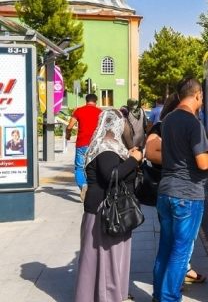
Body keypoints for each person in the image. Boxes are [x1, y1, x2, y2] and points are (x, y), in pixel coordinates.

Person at [152, 79, 208, 302]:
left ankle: (159, 295)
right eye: (202, 97)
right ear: (198, 95)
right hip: (187, 195)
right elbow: (202, 162)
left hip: (165, 192)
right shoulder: (193, 124)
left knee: (165, 248)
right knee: (181, 252)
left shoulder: (169, 119)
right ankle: (169, 298)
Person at [74, 109, 144, 302]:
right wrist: (133, 160)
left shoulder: (103, 145)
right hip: (105, 212)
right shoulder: (107, 146)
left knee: (95, 259)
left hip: (98, 209)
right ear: (116, 125)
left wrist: (127, 157)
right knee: (109, 260)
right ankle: (109, 297)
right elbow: (111, 175)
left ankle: (95, 295)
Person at [144, 92, 206, 285]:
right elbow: (151, 152)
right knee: (178, 249)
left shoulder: (174, 125)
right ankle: (169, 295)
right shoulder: (164, 126)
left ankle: (161, 294)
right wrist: (181, 159)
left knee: (172, 246)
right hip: (179, 191)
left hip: (172, 191)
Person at [66, 93, 102, 201]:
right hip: (95, 145)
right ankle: (94, 190)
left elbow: (69, 126)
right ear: (96, 101)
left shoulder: (79, 111)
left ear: (86, 100)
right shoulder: (100, 112)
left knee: (79, 168)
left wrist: (67, 135)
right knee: (96, 168)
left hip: (82, 144)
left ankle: (83, 185)